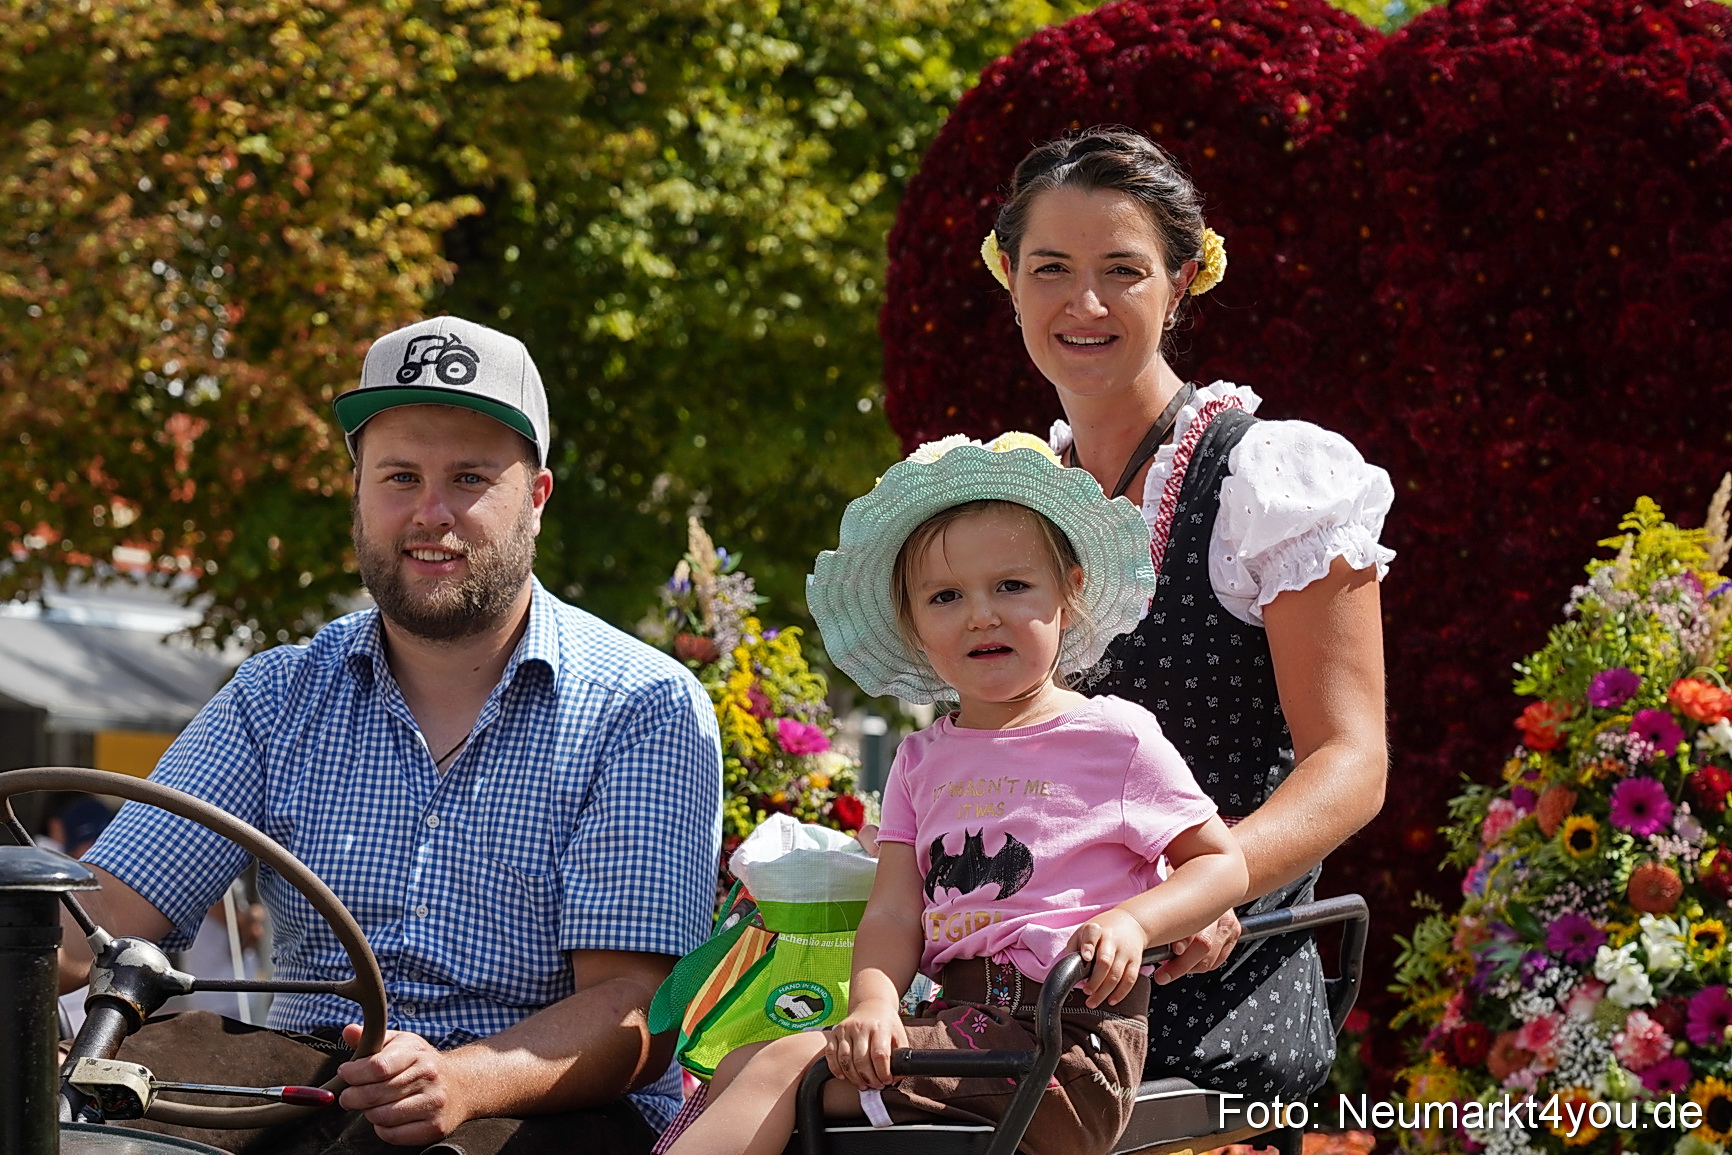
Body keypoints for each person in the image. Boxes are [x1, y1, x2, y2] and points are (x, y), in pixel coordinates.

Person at [60, 315, 724, 1154]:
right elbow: (94, 926)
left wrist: (462, 1078)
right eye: (400, 476)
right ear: (359, 493)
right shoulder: (277, 693)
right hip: (298, 1090)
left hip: (537, 1114)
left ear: (538, 497)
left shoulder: (642, 704)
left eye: (471, 477)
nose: (430, 512)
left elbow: (637, 1010)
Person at [663, 433, 1248, 1155]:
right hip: (963, 1026)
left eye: (1012, 585)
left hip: (1068, 1048)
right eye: (946, 596)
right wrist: (875, 1001)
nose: (981, 614)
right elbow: (894, 908)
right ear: (914, 624)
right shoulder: (920, 759)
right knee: (750, 1060)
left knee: (782, 1066)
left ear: (1068, 590)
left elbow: (1222, 865)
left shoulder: (1114, 737)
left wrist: (1134, 921)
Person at [978, 127, 1392, 1100]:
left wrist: (1198, 886)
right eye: (1050, 269)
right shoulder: (1017, 497)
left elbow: (1349, 760)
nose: (1082, 303)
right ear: (1010, 283)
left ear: (1180, 283)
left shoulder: (1267, 477)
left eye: (1121, 269)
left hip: (1211, 977)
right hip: (1030, 971)